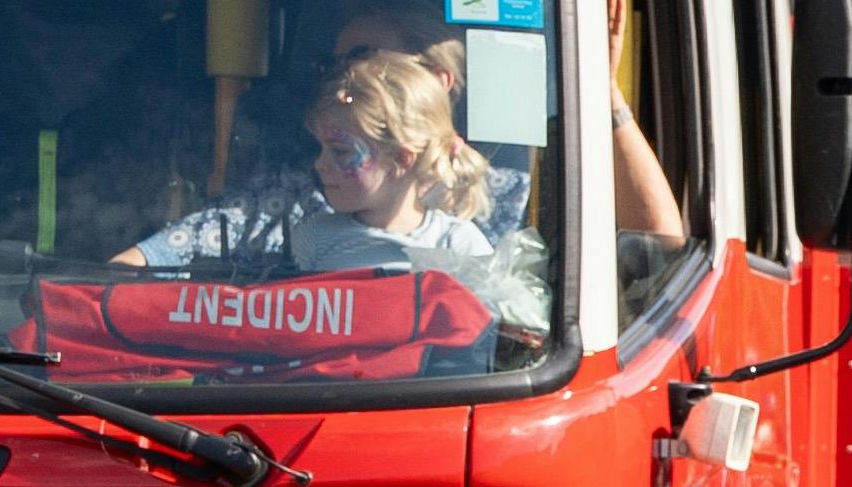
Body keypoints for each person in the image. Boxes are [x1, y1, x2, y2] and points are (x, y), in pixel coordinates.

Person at [121, 46, 553, 336]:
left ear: (402, 159)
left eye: (341, 151)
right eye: (322, 148)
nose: (319, 164)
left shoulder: (458, 244)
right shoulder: (314, 237)